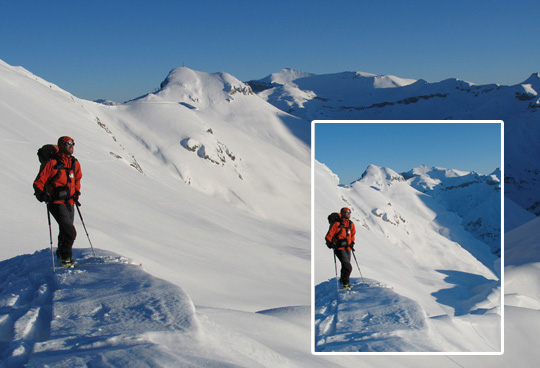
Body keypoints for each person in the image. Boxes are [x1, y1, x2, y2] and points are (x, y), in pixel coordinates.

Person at [34, 136, 82, 266]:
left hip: (70, 202)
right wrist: (42, 195)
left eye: (73, 143)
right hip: (55, 202)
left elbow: (77, 179)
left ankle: (61, 253)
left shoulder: (74, 163)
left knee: (65, 230)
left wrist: (76, 192)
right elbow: (39, 181)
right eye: (68, 144)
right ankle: (66, 258)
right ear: (61, 146)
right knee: (70, 231)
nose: (71, 146)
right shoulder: (51, 163)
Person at [325, 207, 356, 289]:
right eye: (347, 212)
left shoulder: (351, 224)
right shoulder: (337, 224)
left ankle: (343, 281)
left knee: (345, 266)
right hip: (339, 249)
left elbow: (352, 234)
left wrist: (352, 242)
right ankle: (345, 284)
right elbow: (329, 236)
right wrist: (331, 244)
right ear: (342, 213)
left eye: (349, 212)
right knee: (348, 267)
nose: (349, 213)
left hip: (348, 248)